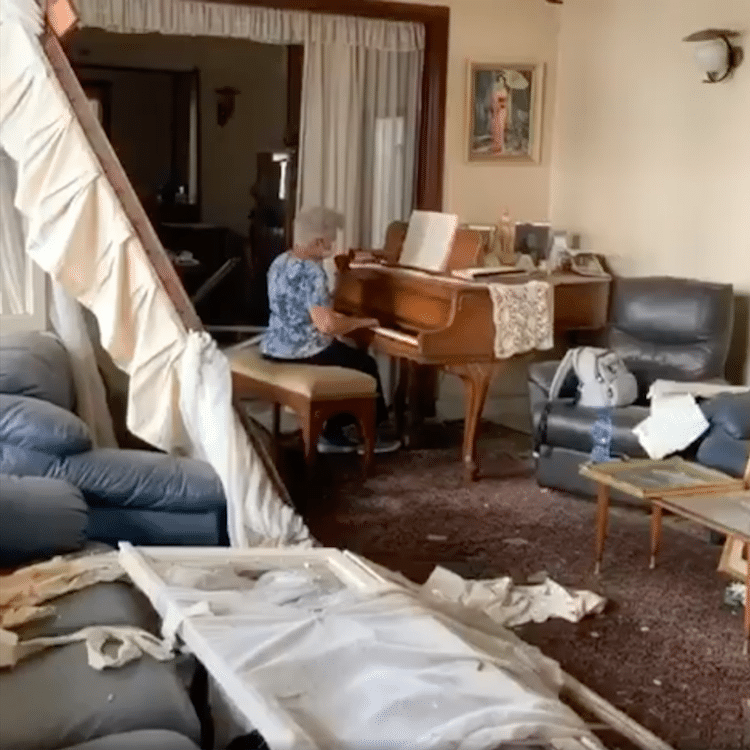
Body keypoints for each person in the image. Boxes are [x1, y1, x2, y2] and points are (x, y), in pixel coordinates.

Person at [261, 206, 400, 454]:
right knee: (365, 365)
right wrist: (364, 322)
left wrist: (338, 308)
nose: (332, 245)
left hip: (275, 347)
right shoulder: (312, 271)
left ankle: (336, 428)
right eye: (330, 240)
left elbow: (303, 309)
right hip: (302, 352)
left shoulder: (280, 261)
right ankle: (363, 435)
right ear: (318, 241)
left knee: (344, 355)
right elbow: (327, 325)